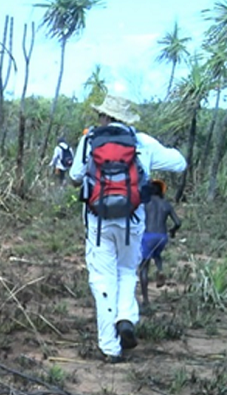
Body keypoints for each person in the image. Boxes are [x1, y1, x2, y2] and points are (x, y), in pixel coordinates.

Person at [68, 95, 186, 363]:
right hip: (133, 222)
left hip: (98, 223)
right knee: (126, 271)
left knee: (102, 278)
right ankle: (125, 318)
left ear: (105, 117)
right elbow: (180, 163)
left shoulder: (89, 140)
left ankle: (110, 346)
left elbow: (75, 178)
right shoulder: (141, 142)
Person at [141, 179, 181, 287]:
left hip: (148, 235)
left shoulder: (145, 203)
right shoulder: (166, 204)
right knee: (157, 254)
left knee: (144, 267)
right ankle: (160, 270)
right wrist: (172, 231)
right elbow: (178, 222)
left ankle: (145, 299)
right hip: (162, 237)